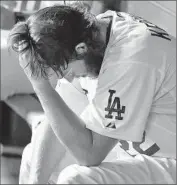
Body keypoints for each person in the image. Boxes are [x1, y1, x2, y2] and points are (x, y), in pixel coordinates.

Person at [8, 4, 176, 184]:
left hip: (170, 159)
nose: (70, 78)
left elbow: (90, 154)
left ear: (81, 49)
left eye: (66, 71)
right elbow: (57, 116)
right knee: (32, 159)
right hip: (140, 153)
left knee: (76, 180)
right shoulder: (89, 34)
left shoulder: (131, 57)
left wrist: (41, 86)